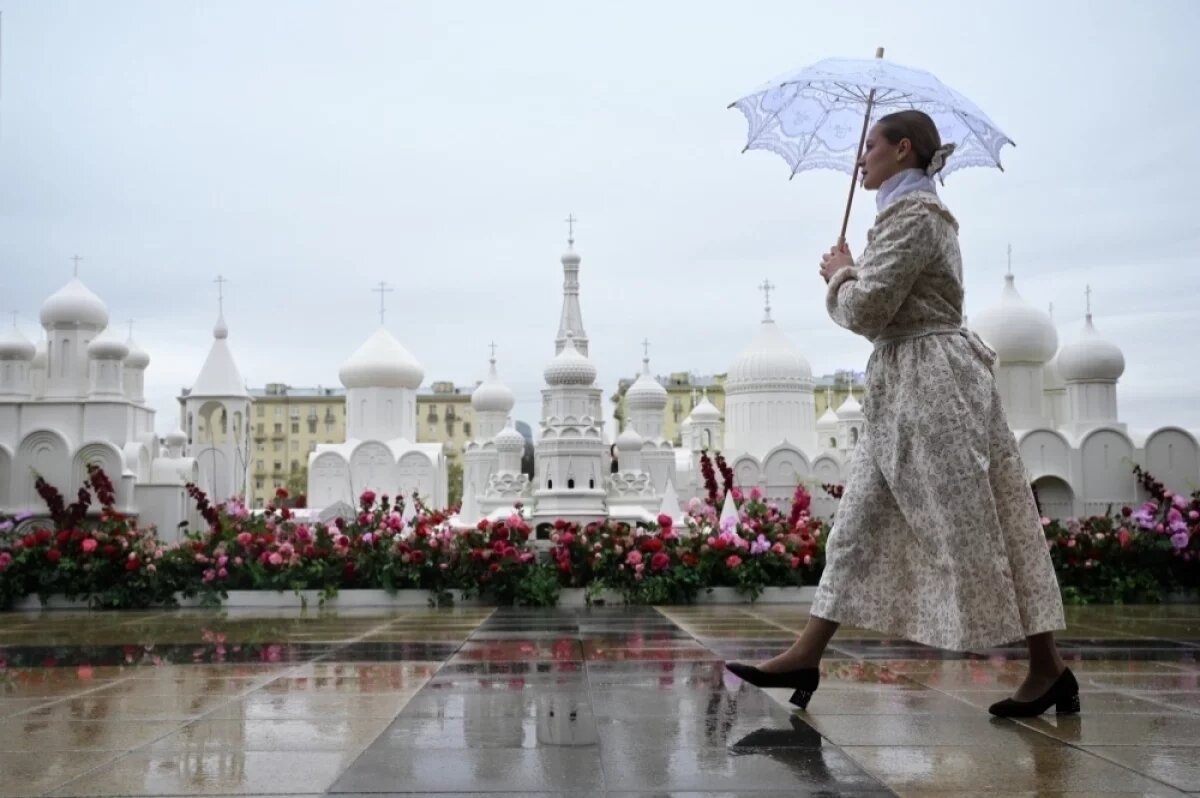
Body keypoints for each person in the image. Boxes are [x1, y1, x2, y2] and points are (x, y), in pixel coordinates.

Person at [725, 110, 1077, 719]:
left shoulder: (915, 217)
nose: (860, 157)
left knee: (981, 522)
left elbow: (867, 310)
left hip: (935, 389)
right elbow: (886, 304)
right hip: (905, 387)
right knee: (857, 525)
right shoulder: (902, 217)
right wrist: (855, 269)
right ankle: (807, 652)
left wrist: (839, 276)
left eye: (870, 145)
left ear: (903, 149)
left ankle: (1048, 667)